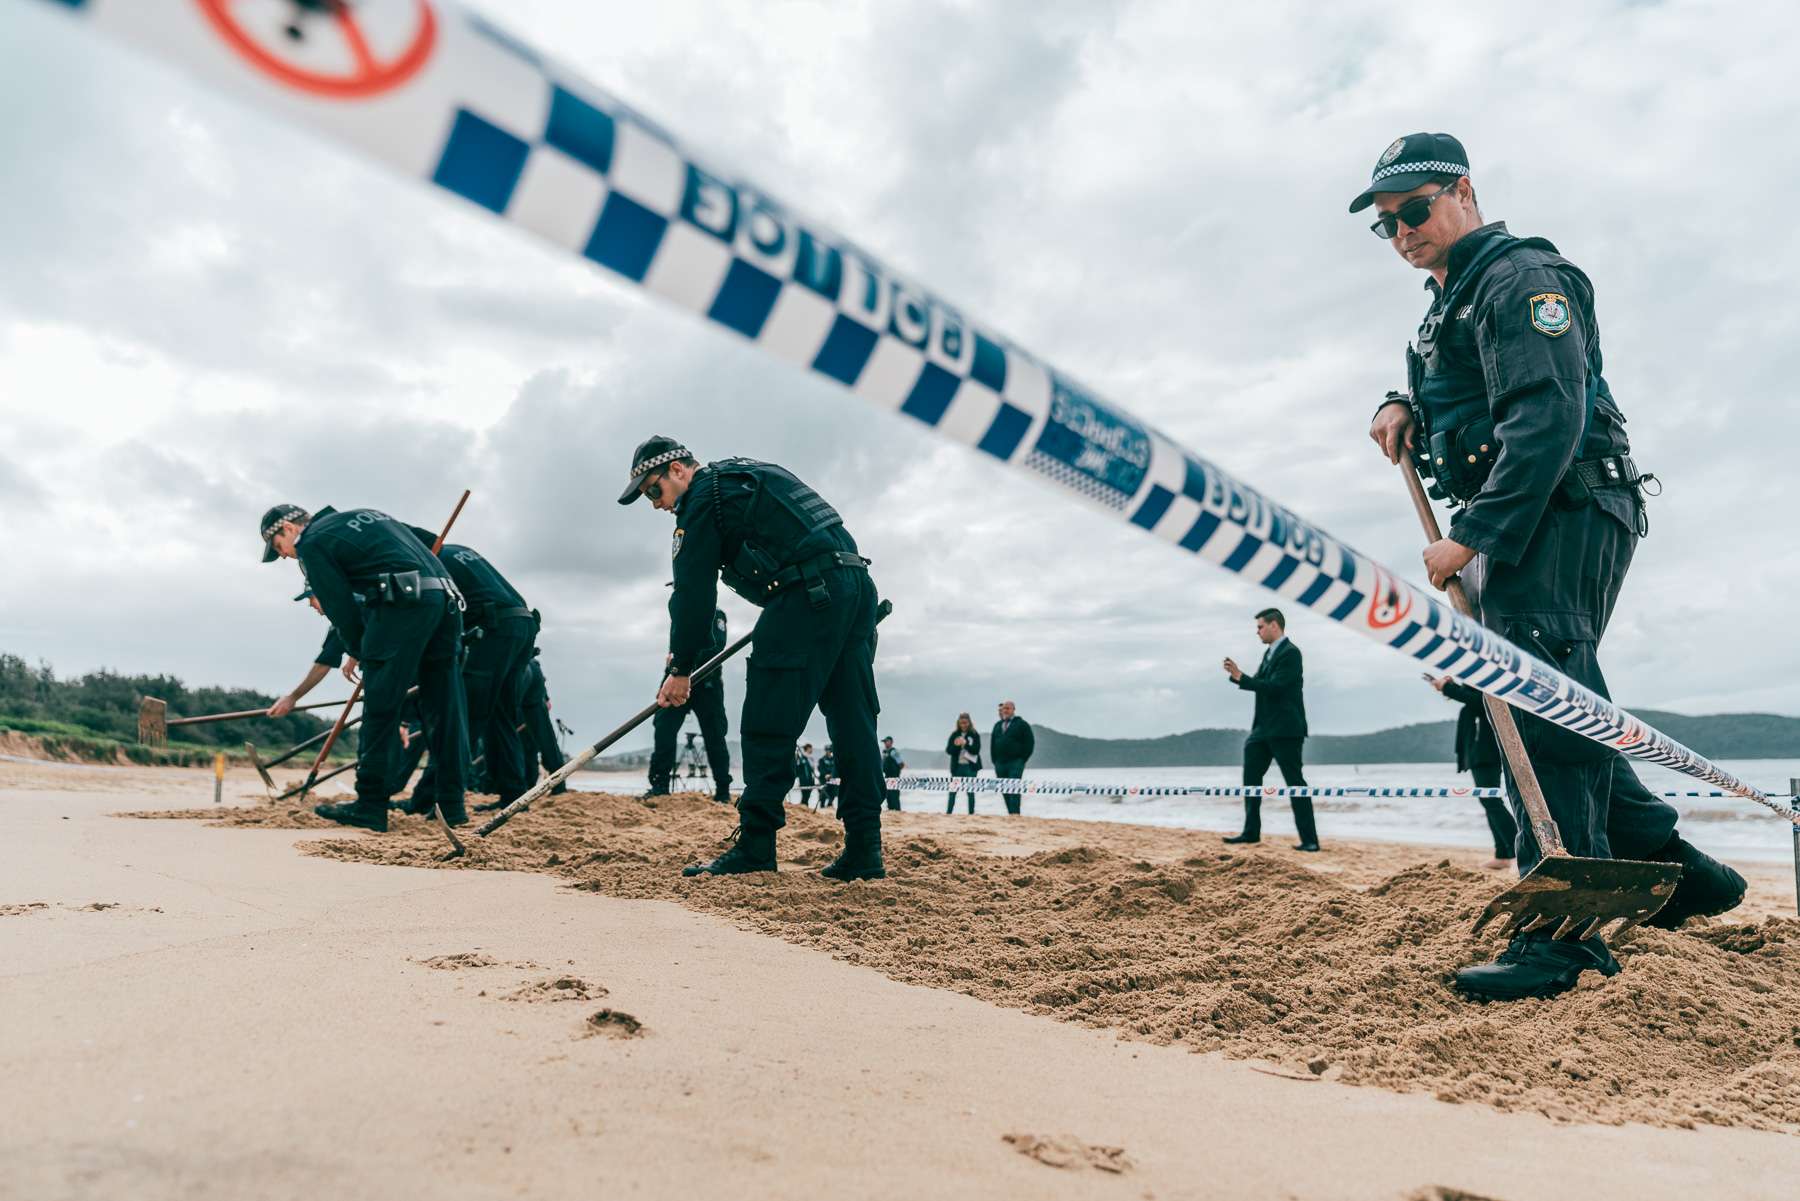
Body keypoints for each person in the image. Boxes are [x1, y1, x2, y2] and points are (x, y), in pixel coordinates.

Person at [1353, 132, 1745, 999]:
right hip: (1525, 516)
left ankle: (1561, 944)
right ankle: (1678, 872)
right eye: (1386, 225)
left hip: (1559, 505)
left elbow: (1546, 412)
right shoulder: (1450, 296)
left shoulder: (1522, 277)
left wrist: (1476, 532)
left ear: (1462, 190)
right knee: (1560, 692)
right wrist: (1399, 400)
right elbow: (1456, 381)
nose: (1403, 232)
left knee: (1539, 702)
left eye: (1414, 211)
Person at [618, 436, 886, 881]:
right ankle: (864, 849)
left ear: (679, 471)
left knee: (767, 720)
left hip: (806, 594)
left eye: (653, 490)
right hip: (855, 585)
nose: (656, 505)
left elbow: (693, 595)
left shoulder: (703, 498)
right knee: (853, 720)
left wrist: (679, 669)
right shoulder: (748, 474)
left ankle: (757, 847)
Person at [260, 503, 467, 831]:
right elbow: (427, 540)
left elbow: (339, 607)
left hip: (402, 602)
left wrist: (363, 653)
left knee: (381, 709)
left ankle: (370, 805)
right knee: (444, 709)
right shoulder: (369, 515)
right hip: (447, 599)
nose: (285, 556)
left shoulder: (311, 542)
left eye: (277, 548)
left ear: (287, 529)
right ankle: (453, 806)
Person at [393, 527, 537, 814]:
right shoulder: (459, 551)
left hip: (493, 628)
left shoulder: (432, 562)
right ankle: (514, 796)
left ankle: (430, 798)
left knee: (462, 719)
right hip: (523, 626)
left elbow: (431, 618)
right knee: (501, 717)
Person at [1221, 609, 1319, 851]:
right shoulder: (1269, 653)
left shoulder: (1291, 653)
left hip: (1286, 729)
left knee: (1295, 783)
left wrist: (1241, 677)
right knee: (1250, 780)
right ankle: (1251, 832)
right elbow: (1260, 683)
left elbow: (1276, 687)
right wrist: (1238, 677)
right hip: (1262, 730)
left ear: (1274, 625)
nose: (1257, 631)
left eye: (1260, 626)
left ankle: (1310, 840)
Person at [647, 601, 732, 803]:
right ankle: (659, 786)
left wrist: (684, 664)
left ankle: (723, 790)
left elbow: (717, 647)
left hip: (707, 684)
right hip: (675, 680)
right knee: (663, 728)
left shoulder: (716, 614)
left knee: (715, 735)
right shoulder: (679, 613)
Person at [1429, 674, 1516, 871]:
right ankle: (1503, 854)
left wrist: (1448, 688)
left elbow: (1481, 700)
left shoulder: (1485, 674)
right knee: (1488, 800)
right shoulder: (1479, 674)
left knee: (1492, 801)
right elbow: (1473, 696)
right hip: (1480, 748)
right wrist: (1451, 687)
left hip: (1486, 749)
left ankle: (1516, 851)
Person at [519, 650, 569, 795]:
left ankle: (555, 785)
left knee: (538, 744)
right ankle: (556, 786)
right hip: (530, 671)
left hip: (523, 669)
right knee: (541, 744)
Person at [990, 700, 1035, 815]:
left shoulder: (1022, 724)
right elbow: (992, 744)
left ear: (1013, 710)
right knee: (1004, 788)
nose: (1005, 711)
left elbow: (1030, 743)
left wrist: (1022, 759)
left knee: (1014, 787)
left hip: (1015, 762)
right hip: (1000, 763)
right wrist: (995, 761)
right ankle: (1010, 813)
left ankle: (1015, 813)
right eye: (1004, 709)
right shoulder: (998, 725)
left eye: (1008, 708)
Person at [944, 712, 981, 814]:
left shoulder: (974, 734)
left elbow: (976, 750)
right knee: (953, 791)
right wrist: (957, 745)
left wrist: (966, 744)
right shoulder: (954, 734)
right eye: (961, 723)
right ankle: (949, 812)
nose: (963, 725)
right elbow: (948, 750)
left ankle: (971, 813)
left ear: (969, 722)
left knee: (970, 792)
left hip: (970, 767)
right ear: (958, 723)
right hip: (957, 767)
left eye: (965, 723)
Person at [880, 736, 904, 811]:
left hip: (894, 777)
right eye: (884, 742)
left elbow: (901, 764)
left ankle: (896, 810)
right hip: (887, 776)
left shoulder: (893, 752)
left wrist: (896, 772)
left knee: (894, 794)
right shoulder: (885, 752)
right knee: (888, 794)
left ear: (891, 742)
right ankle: (891, 809)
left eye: (886, 741)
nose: (885, 743)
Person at [817, 745, 838, 810]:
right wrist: (825, 774)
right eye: (827, 750)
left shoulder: (834, 759)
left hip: (833, 779)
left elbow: (835, 769)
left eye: (829, 750)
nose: (828, 752)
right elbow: (820, 768)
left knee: (833, 793)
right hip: (824, 779)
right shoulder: (822, 759)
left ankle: (829, 805)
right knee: (824, 794)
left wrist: (832, 775)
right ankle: (822, 807)